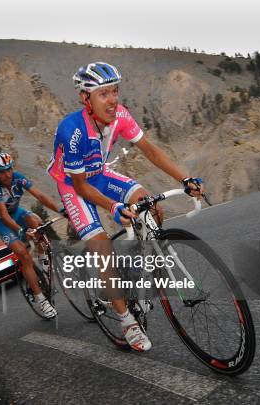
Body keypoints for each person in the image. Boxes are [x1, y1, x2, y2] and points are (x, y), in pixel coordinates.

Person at [48, 62, 205, 351]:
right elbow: (82, 186)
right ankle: (126, 319)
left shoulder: (121, 115)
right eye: (103, 94)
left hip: (100, 173)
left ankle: (138, 268)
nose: (112, 99)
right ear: (86, 98)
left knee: (151, 205)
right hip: (75, 185)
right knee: (103, 249)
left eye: (115, 91)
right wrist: (114, 207)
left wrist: (184, 178)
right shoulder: (71, 131)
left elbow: (150, 151)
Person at [0, 152, 62, 319]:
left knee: (37, 223)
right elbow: (4, 215)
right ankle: (40, 299)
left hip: (17, 213)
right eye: (2, 171)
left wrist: (61, 210)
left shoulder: (17, 178)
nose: (7, 174)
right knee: (23, 254)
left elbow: (40, 196)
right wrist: (20, 230)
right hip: (2, 222)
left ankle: (44, 270)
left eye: (9, 169)